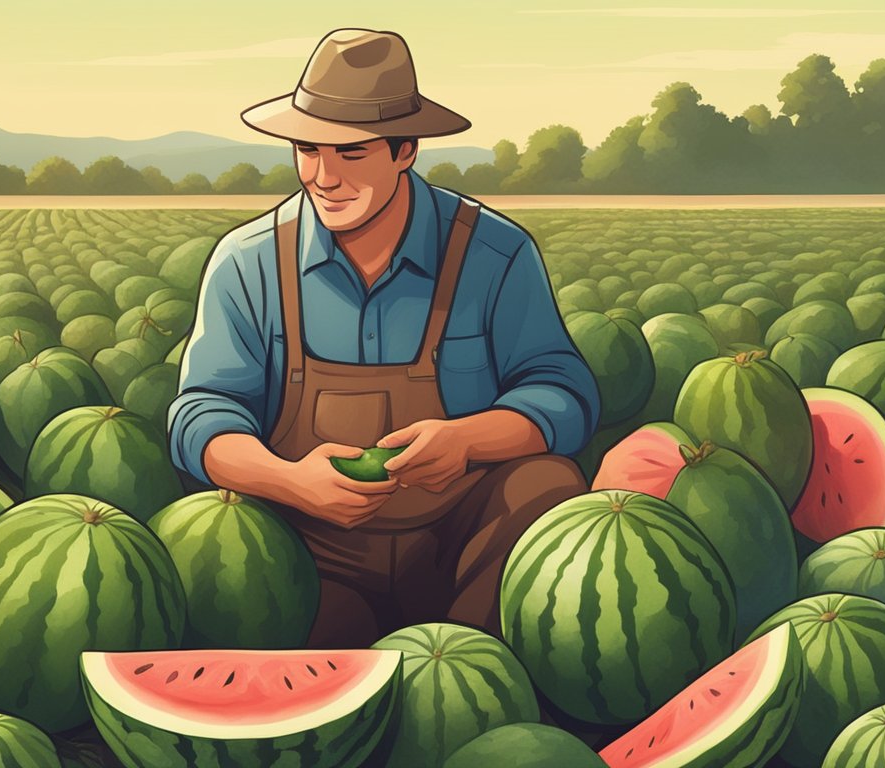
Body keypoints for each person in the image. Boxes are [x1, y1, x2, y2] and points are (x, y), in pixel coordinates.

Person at [167, 28, 600, 646]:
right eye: (308, 150)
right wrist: (291, 483)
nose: (324, 177)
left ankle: (474, 669)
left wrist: (464, 440)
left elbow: (564, 394)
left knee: (547, 483)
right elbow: (200, 415)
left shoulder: (495, 253)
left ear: (406, 151)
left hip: (460, 544)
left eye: (352, 153)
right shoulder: (249, 261)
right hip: (311, 548)